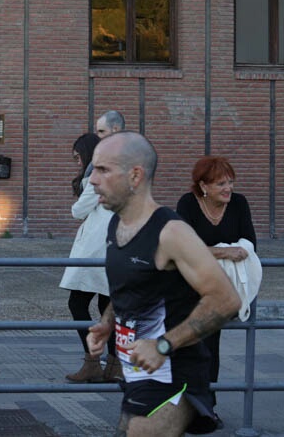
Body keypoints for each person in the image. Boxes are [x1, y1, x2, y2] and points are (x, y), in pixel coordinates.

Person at [87, 132, 241, 437]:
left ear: (135, 175)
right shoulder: (117, 224)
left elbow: (226, 300)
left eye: (103, 170)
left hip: (175, 379)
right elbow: (133, 287)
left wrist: (163, 345)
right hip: (138, 375)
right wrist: (108, 324)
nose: (92, 179)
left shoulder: (171, 232)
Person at [176, 156, 257, 407]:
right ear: (203, 186)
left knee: (209, 347)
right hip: (187, 286)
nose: (228, 188)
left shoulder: (239, 203)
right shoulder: (188, 204)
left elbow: (250, 243)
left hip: (220, 289)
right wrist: (224, 252)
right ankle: (182, 407)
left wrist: (215, 251)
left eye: (230, 182)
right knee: (185, 348)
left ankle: (205, 407)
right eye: (221, 183)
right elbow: (184, 248)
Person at [59, 133, 119, 383]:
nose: (77, 163)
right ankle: (114, 364)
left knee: (77, 304)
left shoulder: (96, 176)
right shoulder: (112, 172)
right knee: (107, 306)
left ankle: (92, 360)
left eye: (77, 157)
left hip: (96, 248)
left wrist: (84, 189)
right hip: (111, 244)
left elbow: (78, 210)